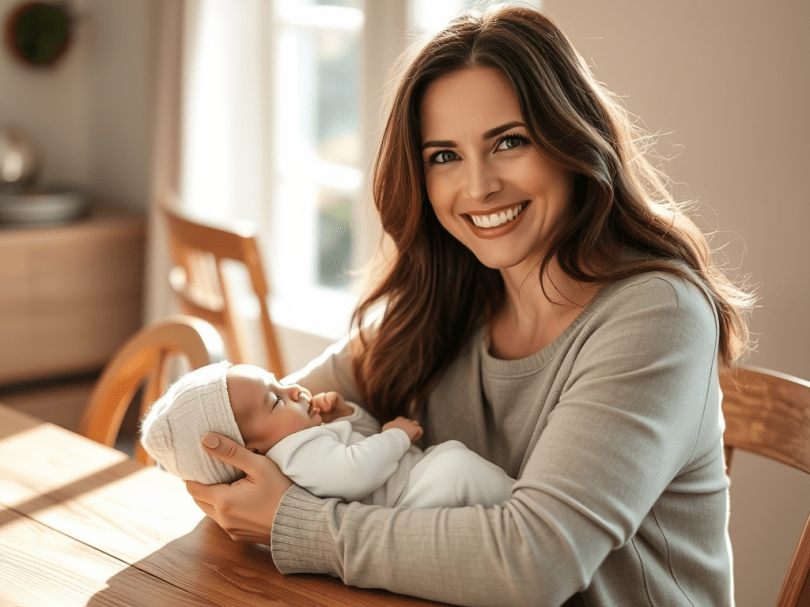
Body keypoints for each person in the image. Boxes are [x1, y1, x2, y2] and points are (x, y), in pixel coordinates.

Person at [185, 6, 754, 606]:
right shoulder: (447, 298)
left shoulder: (658, 315)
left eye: (509, 142)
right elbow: (237, 444)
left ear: (571, 139)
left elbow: (535, 563)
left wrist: (296, 522)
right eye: (444, 156)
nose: (478, 187)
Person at [140, 361, 514, 508]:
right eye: (275, 401)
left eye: (279, 382)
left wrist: (348, 415)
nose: (293, 391)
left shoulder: (302, 437)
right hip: (409, 500)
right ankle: (520, 505)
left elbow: (363, 446)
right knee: (457, 468)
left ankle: (518, 505)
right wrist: (398, 436)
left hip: (413, 482)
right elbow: (356, 473)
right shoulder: (292, 456)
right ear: (251, 450)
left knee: (456, 464)